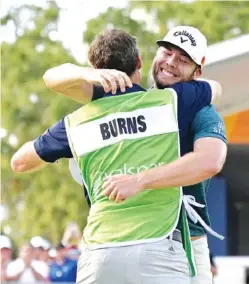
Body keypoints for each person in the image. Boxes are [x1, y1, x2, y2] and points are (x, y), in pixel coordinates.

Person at [11, 29, 226, 284]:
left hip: (185, 240)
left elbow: (209, 161)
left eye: (183, 59)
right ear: (144, 60)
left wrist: (139, 180)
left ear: (197, 71)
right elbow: (53, 78)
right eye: (167, 52)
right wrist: (90, 75)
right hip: (133, 247)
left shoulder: (194, 107)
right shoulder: (147, 98)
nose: (170, 62)